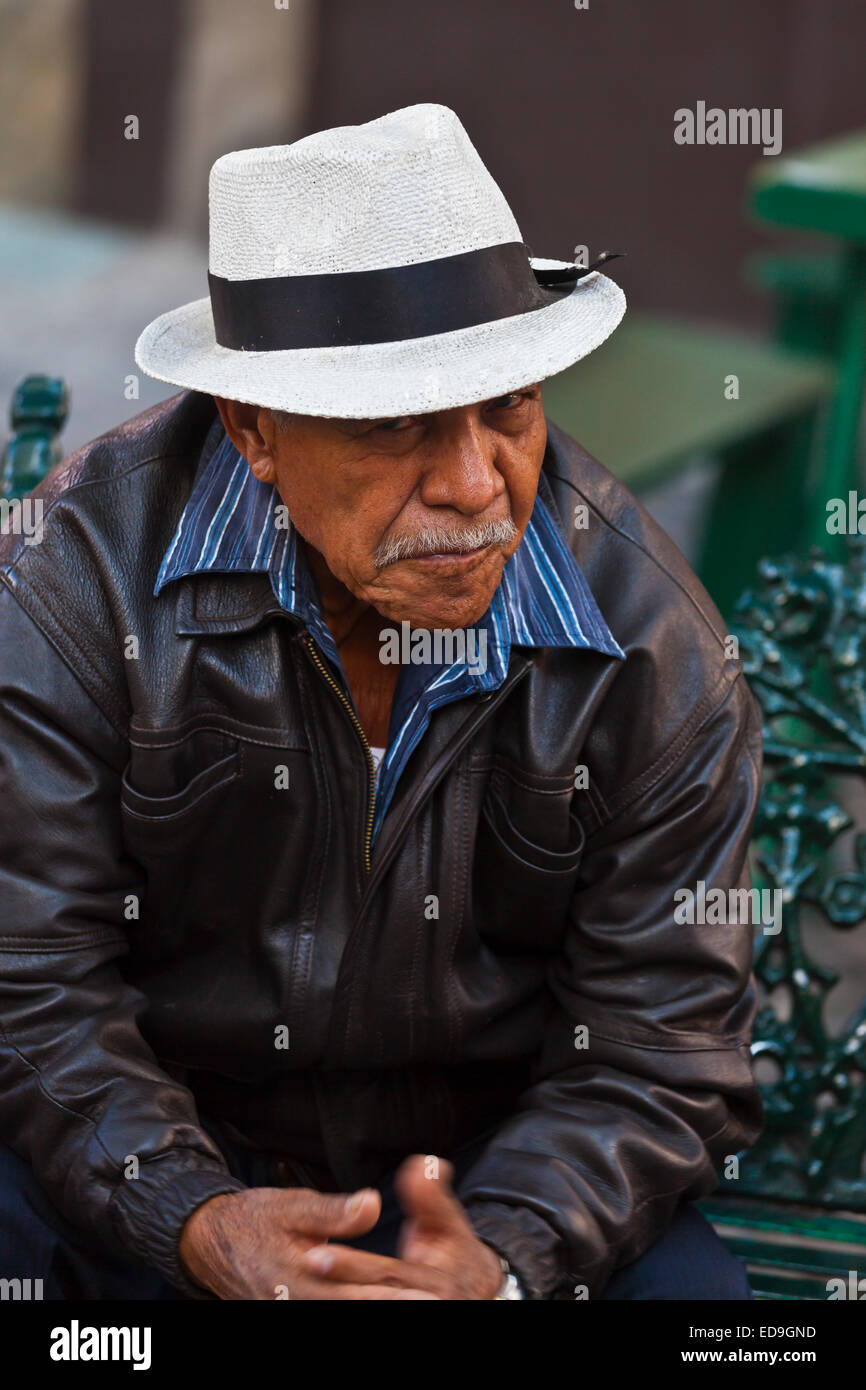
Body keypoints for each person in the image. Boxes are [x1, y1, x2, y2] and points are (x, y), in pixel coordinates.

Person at [0, 103, 762, 1300]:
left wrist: (499, 1261)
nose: (473, 485)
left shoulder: (651, 641)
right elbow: (31, 981)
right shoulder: (71, 587)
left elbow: (657, 1049)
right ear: (254, 427)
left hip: (484, 1181)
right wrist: (191, 1217)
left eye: (506, 404)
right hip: (157, 1160)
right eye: (395, 422)